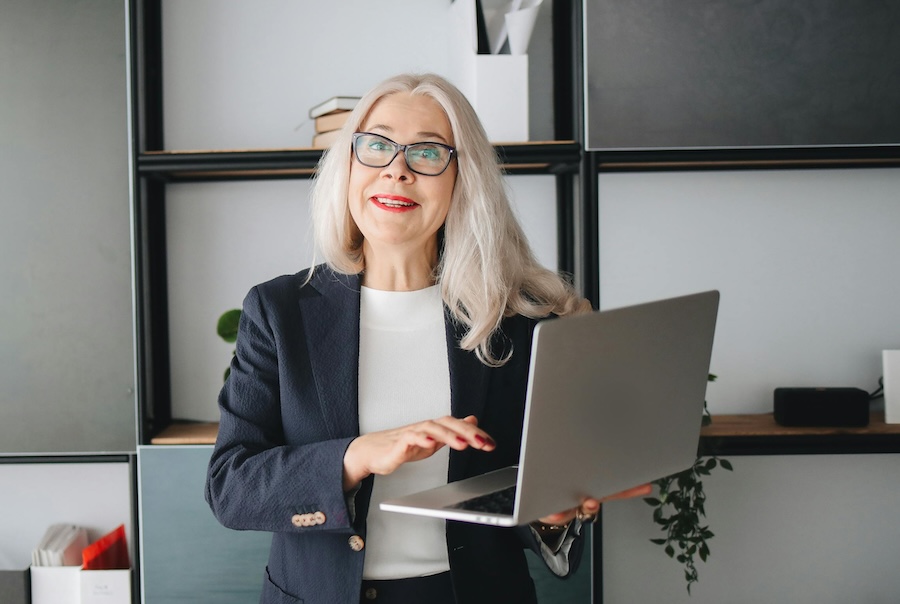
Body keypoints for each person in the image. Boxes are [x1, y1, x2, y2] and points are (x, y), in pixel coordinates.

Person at [205, 72, 650, 604]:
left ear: (463, 179)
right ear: (348, 166)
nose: (397, 169)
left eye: (428, 152)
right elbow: (231, 486)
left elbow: (530, 490)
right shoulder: (278, 310)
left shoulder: (517, 319)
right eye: (377, 146)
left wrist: (551, 514)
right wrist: (355, 457)